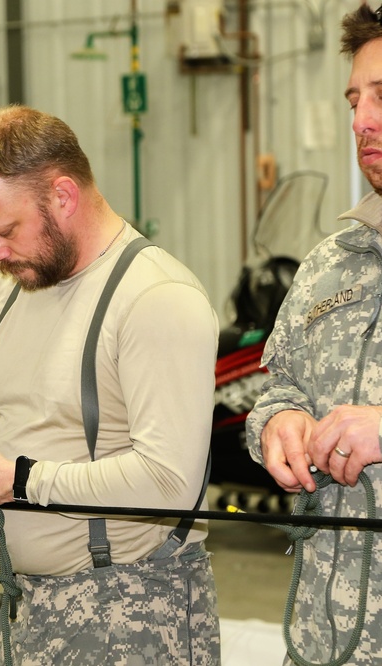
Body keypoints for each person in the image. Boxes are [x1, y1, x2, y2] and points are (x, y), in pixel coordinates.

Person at [0, 106, 220, 665]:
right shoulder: (9, 286)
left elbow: (169, 483)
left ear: (63, 196)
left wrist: (16, 480)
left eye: (4, 230)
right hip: (20, 604)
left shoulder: (156, 298)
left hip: (130, 611)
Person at [246, 6, 382, 664]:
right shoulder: (330, 261)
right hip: (323, 641)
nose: (359, 120)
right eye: (353, 99)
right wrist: (279, 423)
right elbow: (273, 390)